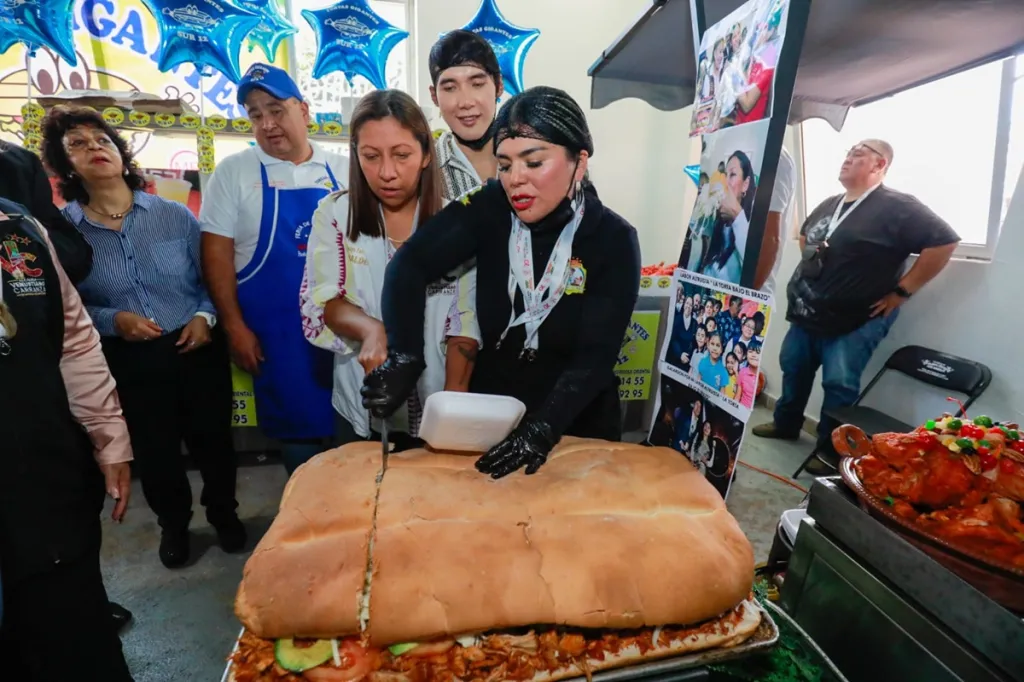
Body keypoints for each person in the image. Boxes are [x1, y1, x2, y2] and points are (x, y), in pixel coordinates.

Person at [362, 86, 642, 479]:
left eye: (533, 162)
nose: (515, 180)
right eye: (506, 165)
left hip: (576, 423)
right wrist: (405, 355)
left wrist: (543, 429)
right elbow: (409, 265)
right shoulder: (491, 207)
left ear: (579, 163)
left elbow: (593, 361)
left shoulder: (612, 239)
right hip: (492, 417)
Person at [42, 106, 245, 569]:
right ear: (62, 162)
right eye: (78, 143)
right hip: (129, 361)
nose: (94, 148)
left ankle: (224, 515)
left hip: (194, 348)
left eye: (102, 140)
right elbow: (66, 310)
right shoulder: (64, 233)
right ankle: (173, 525)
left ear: (120, 152)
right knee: (155, 453)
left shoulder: (173, 215)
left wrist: (204, 315)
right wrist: (115, 320)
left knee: (213, 442)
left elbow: (212, 278)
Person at [753, 140, 960, 472]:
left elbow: (945, 241)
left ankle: (829, 450)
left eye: (858, 155)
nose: (847, 159)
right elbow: (807, 236)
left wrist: (903, 291)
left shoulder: (898, 206)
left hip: (857, 318)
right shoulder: (830, 204)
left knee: (838, 383)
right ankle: (786, 424)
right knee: (794, 367)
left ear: (879, 166)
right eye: (848, 153)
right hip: (808, 312)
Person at [0, 197, 134, 680]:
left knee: (76, 634)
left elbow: (74, 341)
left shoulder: (19, 229)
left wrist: (108, 436)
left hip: (44, 480)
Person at [301, 89, 479, 448]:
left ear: (427, 154)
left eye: (402, 155)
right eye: (371, 156)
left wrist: (451, 412)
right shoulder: (335, 214)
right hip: (360, 404)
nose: (387, 173)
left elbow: (465, 323)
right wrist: (372, 331)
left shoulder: (458, 222)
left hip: (436, 404)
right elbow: (326, 299)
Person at [200, 63, 347, 474]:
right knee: (298, 435)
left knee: (352, 426)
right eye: (255, 113)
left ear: (303, 109)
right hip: (277, 334)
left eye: (276, 109)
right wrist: (234, 327)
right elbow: (216, 256)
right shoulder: (234, 173)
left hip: (344, 328)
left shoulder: (344, 167)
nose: (267, 123)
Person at [429, 29, 502, 197]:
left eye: (477, 84)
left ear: (499, 86)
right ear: (434, 96)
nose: (465, 102)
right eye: (450, 88)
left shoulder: (530, 155)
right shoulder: (423, 168)